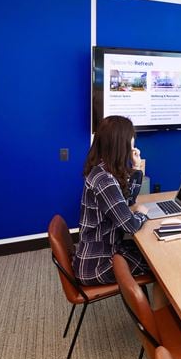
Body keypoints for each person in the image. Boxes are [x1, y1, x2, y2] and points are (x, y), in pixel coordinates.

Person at [73, 115, 149, 285]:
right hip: (97, 263)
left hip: (104, 250)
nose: (133, 144)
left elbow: (127, 200)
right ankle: (152, 311)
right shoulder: (105, 181)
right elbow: (130, 225)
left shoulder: (102, 169)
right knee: (159, 263)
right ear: (119, 144)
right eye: (130, 140)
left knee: (150, 253)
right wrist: (142, 214)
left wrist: (136, 168)